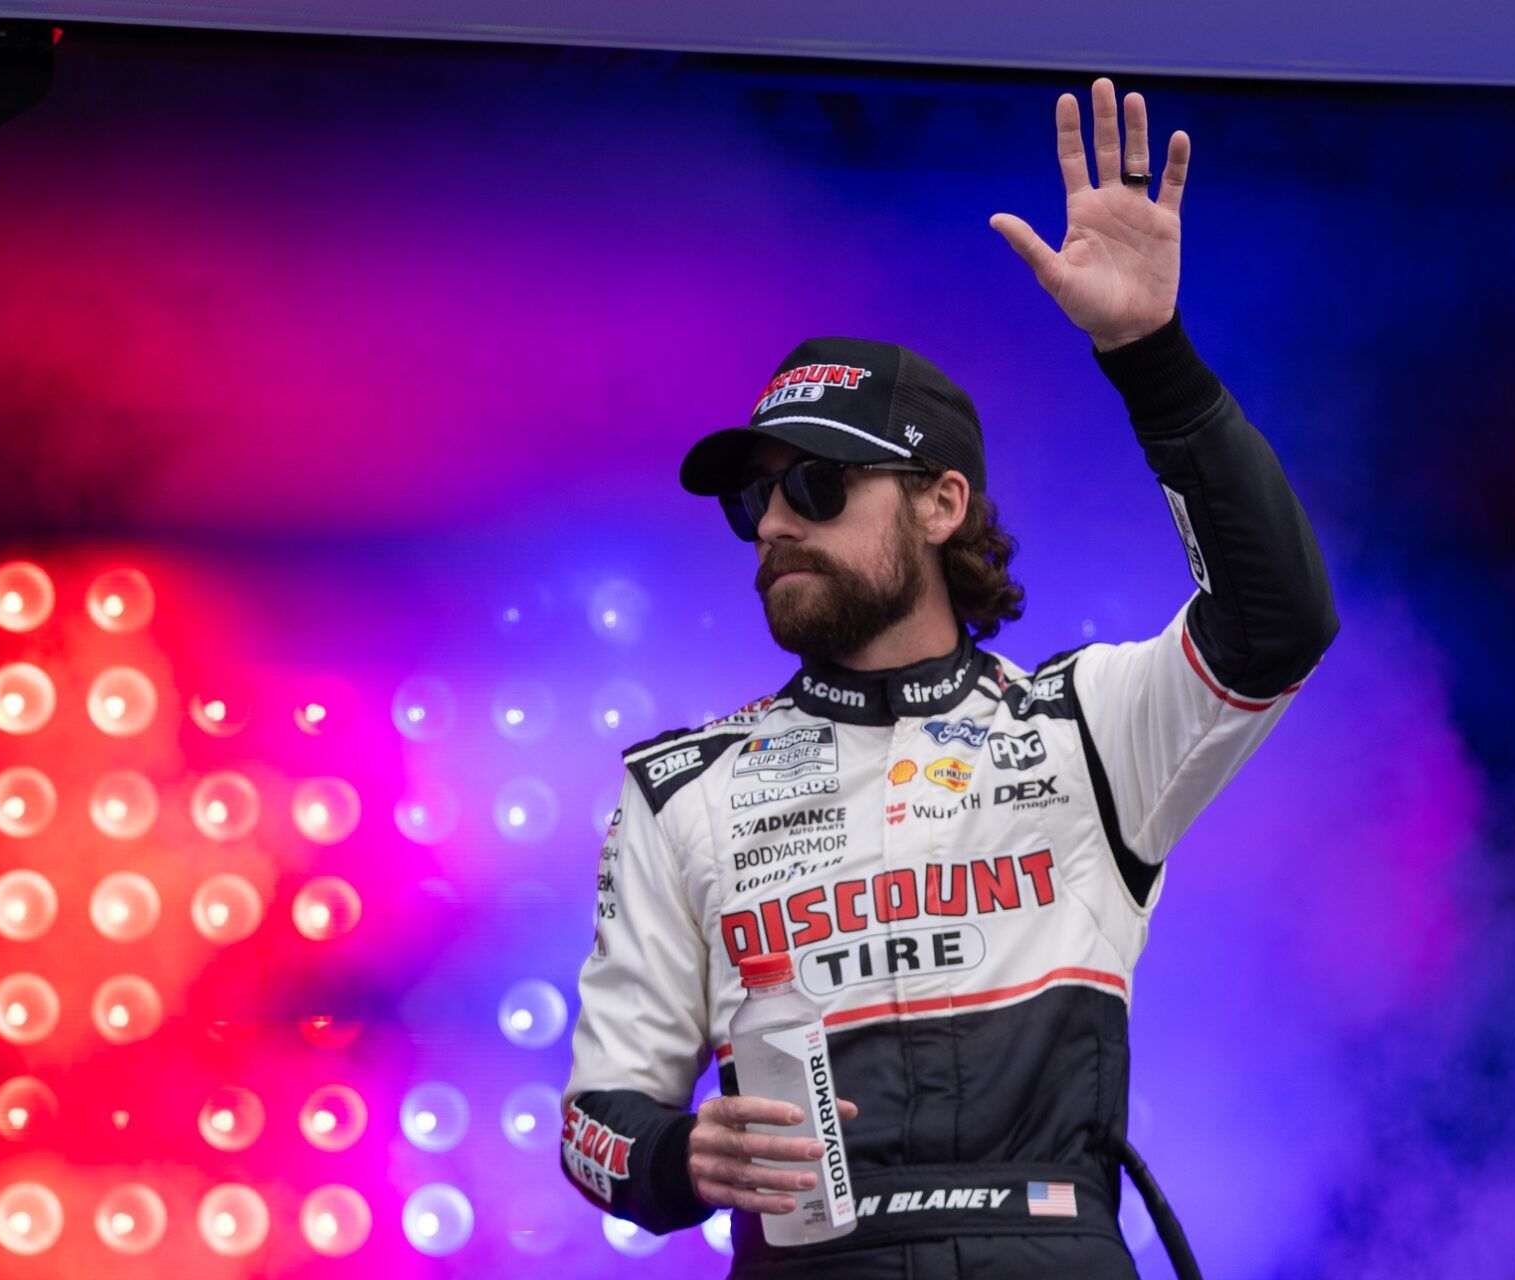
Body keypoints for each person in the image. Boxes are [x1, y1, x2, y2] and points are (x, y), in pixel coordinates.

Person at [558, 75, 1339, 1279]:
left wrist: (1153, 358)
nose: (773, 523)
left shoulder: (1086, 724)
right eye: (754, 496)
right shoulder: (680, 788)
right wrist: (676, 1157)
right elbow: (594, 1121)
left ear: (941, 503)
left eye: (816, 486)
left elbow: (1280, 618)